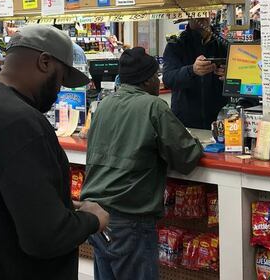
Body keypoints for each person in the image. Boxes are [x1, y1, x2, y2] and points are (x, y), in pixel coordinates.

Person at [0, 25, 109, 280]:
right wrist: (92, 219)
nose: (58, 90)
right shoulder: (22, 122)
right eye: (60, 79)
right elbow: (45, 237)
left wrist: (54, 203)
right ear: (44, 62)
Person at [81, 47, 203, 280]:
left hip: (96, 216)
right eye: (157, 77)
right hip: (130, 220)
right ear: (148, 80)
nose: (159, 82)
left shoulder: (104, 105)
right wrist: (197, 142)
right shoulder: (153, 107)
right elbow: (186, 157)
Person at [162, 18, 228, 129]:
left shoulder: (222, 44)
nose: (201, 17)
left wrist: (229, 75)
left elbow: (240, 81)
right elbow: (168, 79)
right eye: (196, 14)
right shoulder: (176, 44)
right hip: (185, 122)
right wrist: (192, 70)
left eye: (204, 13)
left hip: (219, 120)